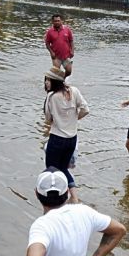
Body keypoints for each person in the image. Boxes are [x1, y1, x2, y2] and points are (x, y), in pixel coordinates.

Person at [44, 66, 89, 199]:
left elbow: (48, 119)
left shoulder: (51, 97)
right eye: (46, 80)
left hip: (57, 138)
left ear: (54, 82)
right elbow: (85, 109)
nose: (46, 82)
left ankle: (61, 197)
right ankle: (71, 196)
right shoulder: (74, 90)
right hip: (72, 139)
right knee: (63, 168)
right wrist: (74, 119)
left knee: (52, 170)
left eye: (48, 80)